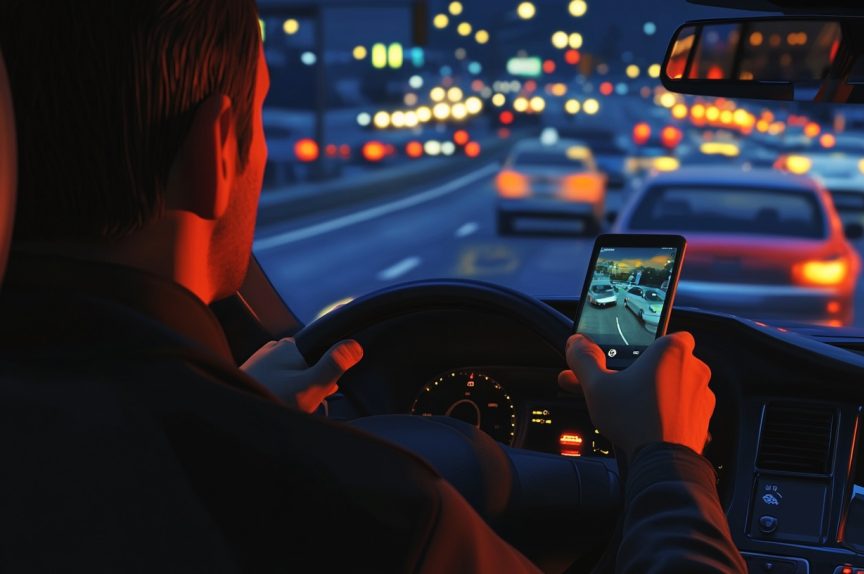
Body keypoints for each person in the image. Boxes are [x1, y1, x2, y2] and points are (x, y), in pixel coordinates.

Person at [0, 1, 746, 572]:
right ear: (215, 152)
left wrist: (235, 398)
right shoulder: (375, 514)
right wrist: (668, 460)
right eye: (259, 118)